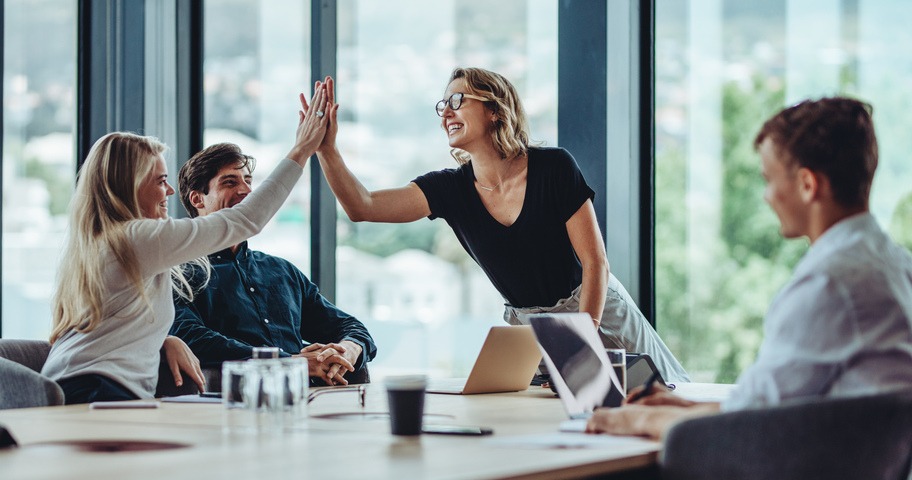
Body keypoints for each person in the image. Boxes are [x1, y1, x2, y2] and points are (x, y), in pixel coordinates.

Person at [312, 67, 689, 383]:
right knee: (559, 424)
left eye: (458, 100)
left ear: (495, 109)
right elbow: (362, 206)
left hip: (596, 309)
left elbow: (596, 264)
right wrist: (327, 150)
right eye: (443, 105)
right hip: (530, 331)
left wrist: (579, 338)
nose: (446, 112)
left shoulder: (554, 167)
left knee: (663, 396)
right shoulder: (449, 189)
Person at [586, 97, 912, 439]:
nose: (767, 196)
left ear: (807, 185)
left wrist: (634, 420)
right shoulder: (895, 265)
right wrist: (683, 407)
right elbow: (769, 404)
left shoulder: (829, 282)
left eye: (770, 180)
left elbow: (749, 426)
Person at [40, 82, 331, 404]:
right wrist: (301, 150)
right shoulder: (135, 238)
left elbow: (113, 323)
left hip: (77, 383)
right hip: (97, 389)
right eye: (160, 181)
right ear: (129, 185)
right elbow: (245, 220)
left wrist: (164, 339)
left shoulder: (103, 241)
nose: (169, 192)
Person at [170, 143, 377, 386]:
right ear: (197, 199)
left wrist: (348, 349)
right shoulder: (178, 273)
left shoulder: (282, 271)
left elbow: (349, 326)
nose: (246, 191)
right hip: (235, 403)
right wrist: (288, 362)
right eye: (229, 182)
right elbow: (190, 337)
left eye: (248, 181)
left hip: (311, 402)